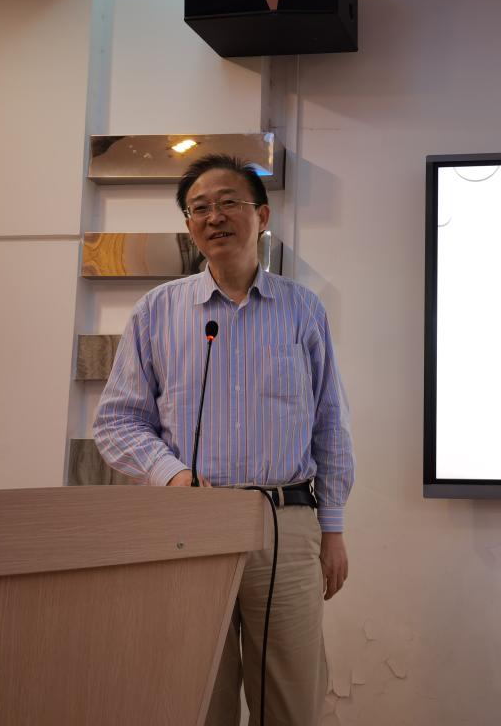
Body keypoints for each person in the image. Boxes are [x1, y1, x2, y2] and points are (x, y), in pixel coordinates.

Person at [93, 154, 354, 726]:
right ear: (189, 226)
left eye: (229, 202)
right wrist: (172, 473)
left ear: (262, 216)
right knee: (196, 694)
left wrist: (332, 528)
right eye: (200, 208)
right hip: (189, 524)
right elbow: (116, 421)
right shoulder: (158, 312)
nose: (215, 216)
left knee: (291, 701)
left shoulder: (301, 309)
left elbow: (330, 423)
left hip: (284, 525)